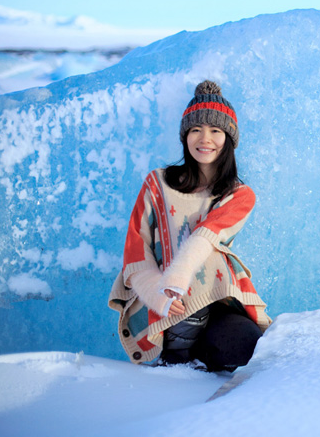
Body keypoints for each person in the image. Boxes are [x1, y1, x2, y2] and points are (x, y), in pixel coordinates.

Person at [108, 80, 271, 371]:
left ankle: (199, 360)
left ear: (229, 139)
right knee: (180, 306)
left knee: (246, 345)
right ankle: (175, 363)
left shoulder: (239, 195)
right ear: (185, 136)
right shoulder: (157, 183)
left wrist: (178, 277)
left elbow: (205, 237)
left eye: (215, 131)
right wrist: (159, 292)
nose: (204, 138)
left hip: (213, 299)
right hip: (167, 304)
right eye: (196, 129)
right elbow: (136, 249)